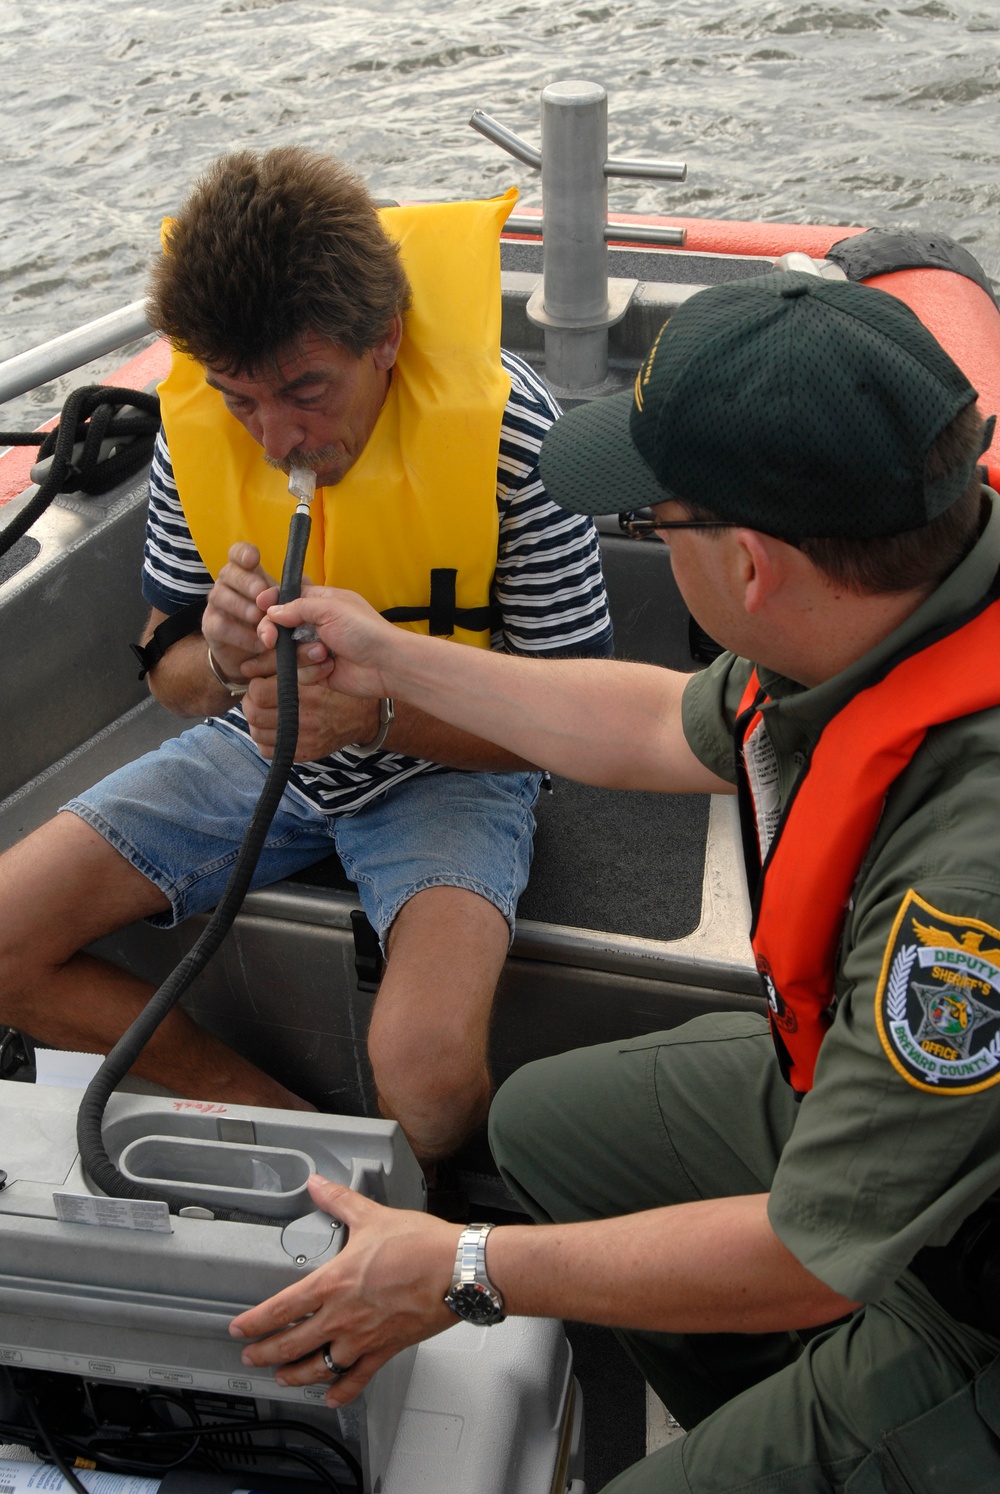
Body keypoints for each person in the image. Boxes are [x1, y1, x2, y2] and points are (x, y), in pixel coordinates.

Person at [230, 270, 1000, 1491]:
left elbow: (808, 1252)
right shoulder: (903, 597)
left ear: (749, 568)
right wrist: (389, 657)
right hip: (881, 1145)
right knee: (545, 1128)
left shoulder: (970, 887)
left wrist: (463, 1269)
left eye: (651, 518)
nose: (637, 533)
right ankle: (781, 1414)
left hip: (971, 1287)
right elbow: (655, 726)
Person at [0, 148, 613, 1172]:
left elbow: (576, 716)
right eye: (241, 400)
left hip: (455, 773)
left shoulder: (513, 438)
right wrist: (226, 662)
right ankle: (274, 1121)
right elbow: (168, 673)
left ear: (386, 341)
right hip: (255, 753)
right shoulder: (198, 439)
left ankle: (417, 1216)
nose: (277, 437)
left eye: (305, 392)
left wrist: (374, 720)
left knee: (421, 1063)